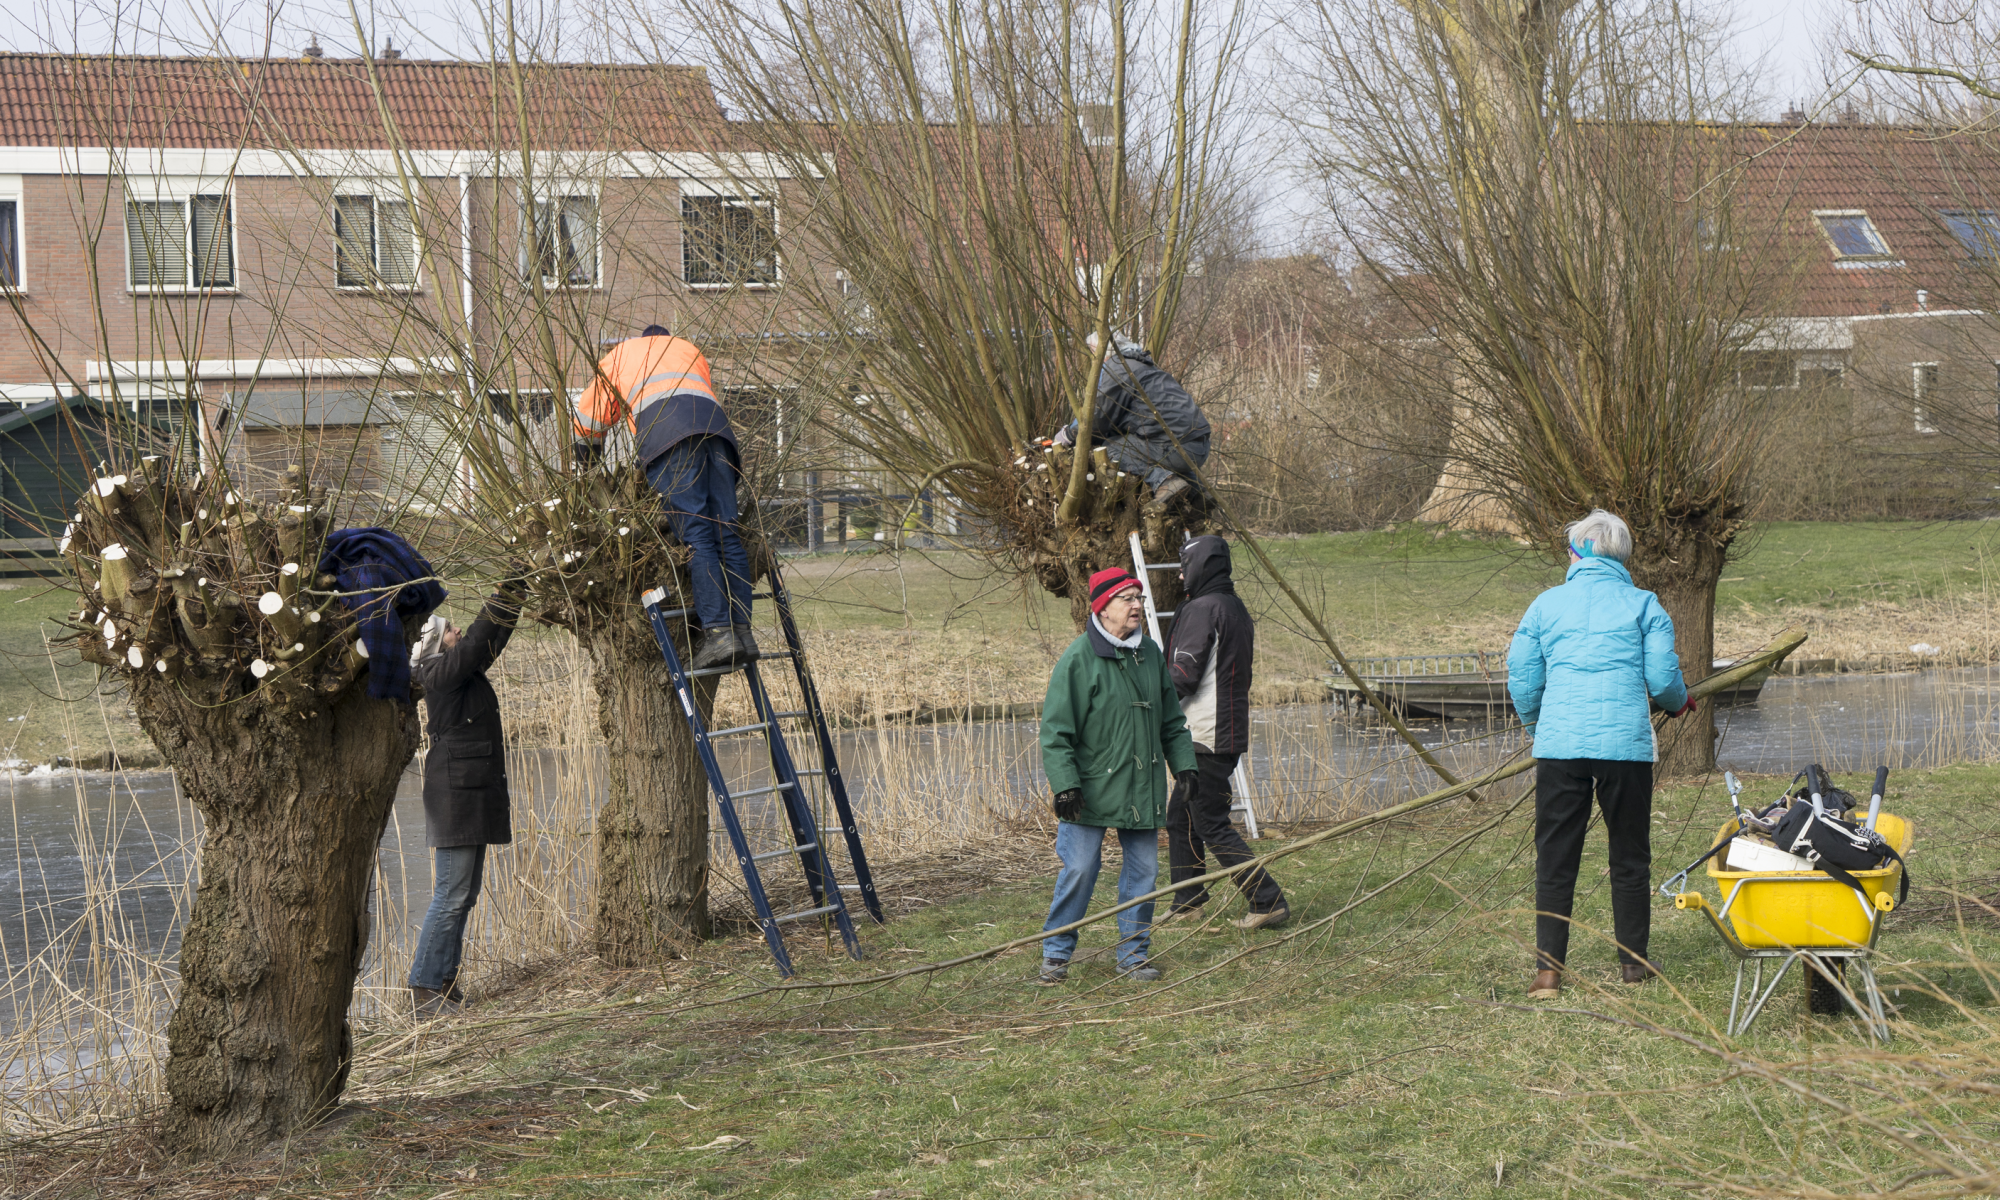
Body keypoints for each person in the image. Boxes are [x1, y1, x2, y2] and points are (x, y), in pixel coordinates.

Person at [1507, 509, 1695, 1000]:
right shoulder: (1644, 605)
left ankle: (1548, 973)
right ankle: (1633, 964)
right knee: (1629, 855)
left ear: (1575, 553)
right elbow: (1662, 682)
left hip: (1560, 748)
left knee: (1555, 856)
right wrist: (1679, 703)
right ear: (1622, 557)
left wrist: (1538, 728)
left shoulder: (1545, 606)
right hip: (1624, 749)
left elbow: (1524, 680)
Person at [1037, 567, 1198, 984]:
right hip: (1088, 790)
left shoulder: (1149, 656)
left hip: (1140, 787)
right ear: (1102, 608)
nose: (1137, 606)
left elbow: (1171, 723)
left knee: (1144, 872)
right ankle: (1056, 954)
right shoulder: (1078, 659)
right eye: (1126, 598)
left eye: (1139, 598)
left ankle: (1133, 956)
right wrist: (1066, 785)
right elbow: (1056, 733)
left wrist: (1184, 764)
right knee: (1078, 870)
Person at [572, 324, 756, 671]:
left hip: (670, 437)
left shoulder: (622, 355)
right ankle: (742, 632)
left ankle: (719, 634)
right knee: (725, 530)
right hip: (717, 433)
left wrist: (588, 473)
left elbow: (588, 420)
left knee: (697, 533)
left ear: (642, 339)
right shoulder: (688, 349)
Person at [407, 583, 523, 1017]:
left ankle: (444, 984)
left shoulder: (457, 670)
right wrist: (506, 587)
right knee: (451, 893)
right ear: (435, 643)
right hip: (455, 793)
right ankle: (424, 989)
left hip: (465, 790)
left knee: (464, 893)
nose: (456, 629)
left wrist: (515, 594)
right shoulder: (438, 672)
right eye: (448, 628)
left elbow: (490, 639)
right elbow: (477, 641)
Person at [1164, 536, 1288, 929]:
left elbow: (1183, 674)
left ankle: (1267, 900)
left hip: (1205, 733)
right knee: (1180, 817)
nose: (1181, 573)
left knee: (1209, 821)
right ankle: (1189, 900)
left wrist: (1146, 705)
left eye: (1185, 564)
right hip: (1225, 730)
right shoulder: (1235, 607)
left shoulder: (1202, 608)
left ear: (1201, 566)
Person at [1054, 332, 1211, 508]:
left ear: (1102, 351)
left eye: (1093, 352)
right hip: (1199, 446)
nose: (1092, 359)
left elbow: (1098, 417)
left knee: (1111, 448)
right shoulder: (1142, 365)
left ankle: (1165, 481)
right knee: (1147, 444)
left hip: (1177, 448)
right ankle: (1198, 491)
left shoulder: (1117, 368)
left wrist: (1069, 434)